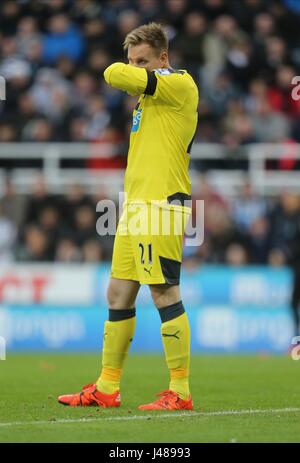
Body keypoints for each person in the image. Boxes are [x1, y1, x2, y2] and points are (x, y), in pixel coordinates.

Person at [58, 22, 198, 411]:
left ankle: (181, 392)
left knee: (165, 292)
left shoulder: (180, 84)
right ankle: (107, 387)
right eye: (132, 60)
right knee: (118, 293)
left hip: (161, 206)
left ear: (163, 58)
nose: (134, 67)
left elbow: (111, 72)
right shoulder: (146, 98)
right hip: (135, 207)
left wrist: (127, 71)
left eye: (143, 61)